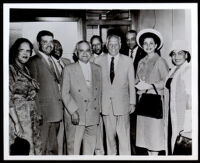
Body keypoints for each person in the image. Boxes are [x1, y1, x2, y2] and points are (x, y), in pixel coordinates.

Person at [95, 35, 136, 155]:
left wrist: (132, 102)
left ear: (120, 45)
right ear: (106, 45)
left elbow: (131, 84)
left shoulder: (128, 61)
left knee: (124, 139)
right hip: (106, 105)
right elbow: (96, 85)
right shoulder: (98, 61)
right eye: (110, 44)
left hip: (123, 105)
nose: (113, 47)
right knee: (109, 139)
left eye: (116, 44)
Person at [61, 41, 102, 155]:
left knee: (89, 149)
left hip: (92, 117)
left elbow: (99, 92)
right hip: (76, 116)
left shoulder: (97, 68)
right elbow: (64, 93)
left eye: (87, 50)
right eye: (81, 50)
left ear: (91, 52)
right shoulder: (68, 69)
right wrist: (73, 111)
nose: (85, 53)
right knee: (73, 149)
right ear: (76, 52)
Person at [27, 30, 63, 155]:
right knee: (41, 148)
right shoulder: (33, 61)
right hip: (43, 115)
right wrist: (38, 113)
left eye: (51, 41)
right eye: (45, 42)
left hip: (55, 112)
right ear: (39, 44)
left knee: (52, 149)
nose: (49, 45)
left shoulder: (52, 60)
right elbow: (32, 90)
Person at [135, 29, 169, 155]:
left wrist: (150, 86)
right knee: (145, 139)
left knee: (154, 139)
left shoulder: (160, 61)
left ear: (156, 45)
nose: (148, 46)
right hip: (143, 101)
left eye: (151, 43)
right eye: (145, 43)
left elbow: (166, 82)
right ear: (142, 46)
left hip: (155, 102)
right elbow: (137, 80)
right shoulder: (141, 62)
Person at [9, 38, 42, 155]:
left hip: (30, 117)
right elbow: (8, 100)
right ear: (15, 51)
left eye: (28, 51)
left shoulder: (26, 69)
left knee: (35, 148)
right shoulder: (10, 69)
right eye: (21, 50)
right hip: (18, 118)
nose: (25, 53)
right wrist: (17, 124)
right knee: (25, 150)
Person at [164, 40, 192, 155]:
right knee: (171, 140)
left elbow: (191, 98)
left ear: (186, 55)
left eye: (180, 53)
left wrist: (188, 122)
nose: (176, 57)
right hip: (171, 114)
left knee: (180, 145)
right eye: (174, 54)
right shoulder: (174, 70)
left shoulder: (188, 70)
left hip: (182, 116)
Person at [125, 30, 147, 155]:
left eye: (132, 39)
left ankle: (140, 154)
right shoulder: (122, 52)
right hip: (126, 98)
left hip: (141, 98)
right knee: (130, 131)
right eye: (127, 39)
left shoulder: (145, 53)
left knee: (140, 130)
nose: (129, 42)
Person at [50, 39, 71, 155]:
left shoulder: (67, 62)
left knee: (69, 139)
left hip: (69, 108)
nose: (58, 49)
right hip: (56, 107)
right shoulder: (47, 64)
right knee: (57, 139)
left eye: (60, 47)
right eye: (55, 47)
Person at [90, 35, 105, 155]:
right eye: (93, 45)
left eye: (98, 44)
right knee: (97, 129)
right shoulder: (88, 59)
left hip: (107, 101)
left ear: (102, 44)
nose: (96, 47)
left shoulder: (108, 58)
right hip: (94, 101)